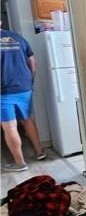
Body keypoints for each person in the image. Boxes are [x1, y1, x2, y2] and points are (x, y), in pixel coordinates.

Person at [1, 23, 46, 171]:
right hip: (24, 85)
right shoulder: (18, 37)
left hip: (4, 89)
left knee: (10, 125)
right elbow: (33, 61)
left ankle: (20, 163)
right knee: (27, 119)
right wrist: (30, 80)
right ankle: (40, 152)